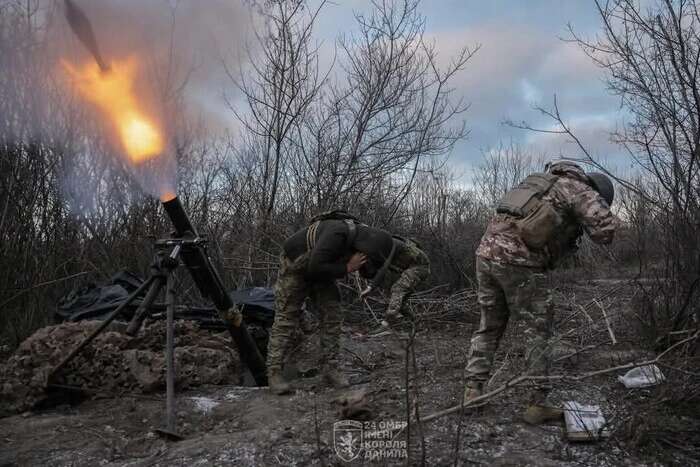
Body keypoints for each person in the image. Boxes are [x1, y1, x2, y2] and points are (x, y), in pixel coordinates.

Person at [464, 161, 617, 424]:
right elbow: (605, 231)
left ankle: (472, 392)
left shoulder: (536, 182)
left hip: (485, 256)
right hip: (518, 262)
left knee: (489, 327)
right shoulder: (579, 188)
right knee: (538, 331)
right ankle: (537, 403)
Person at [267, 213, 394, 395]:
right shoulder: (338, 233)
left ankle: (330, 367)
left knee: (333, 312)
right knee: (286, 316)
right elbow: (314, 267)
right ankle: (274, 373)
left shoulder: (361, 239)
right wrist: (348, 268)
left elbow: (323, 268)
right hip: (296, 265)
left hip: (319, 268)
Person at [360, 236, 431, 323]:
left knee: (397, 288)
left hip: (420, 267)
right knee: (397, 299)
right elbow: (383, 270)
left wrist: (370, 287)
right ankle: (414, 322)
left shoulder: (392, 244)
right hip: (409, 268)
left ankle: (387, 323)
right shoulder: (385, 250)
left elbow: (384, 268)